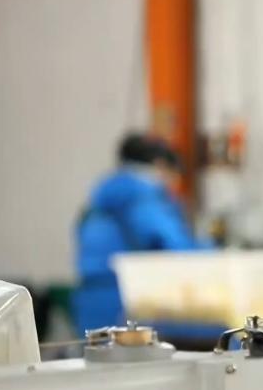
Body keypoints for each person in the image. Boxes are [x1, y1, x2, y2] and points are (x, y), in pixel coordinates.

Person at [71, 133, 209, 334]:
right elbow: (175, 246)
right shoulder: (142, 195)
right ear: (161, 165)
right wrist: (213, 250)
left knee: (97, 352)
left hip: (89, 298)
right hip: (125, 300)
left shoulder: (103, 195)